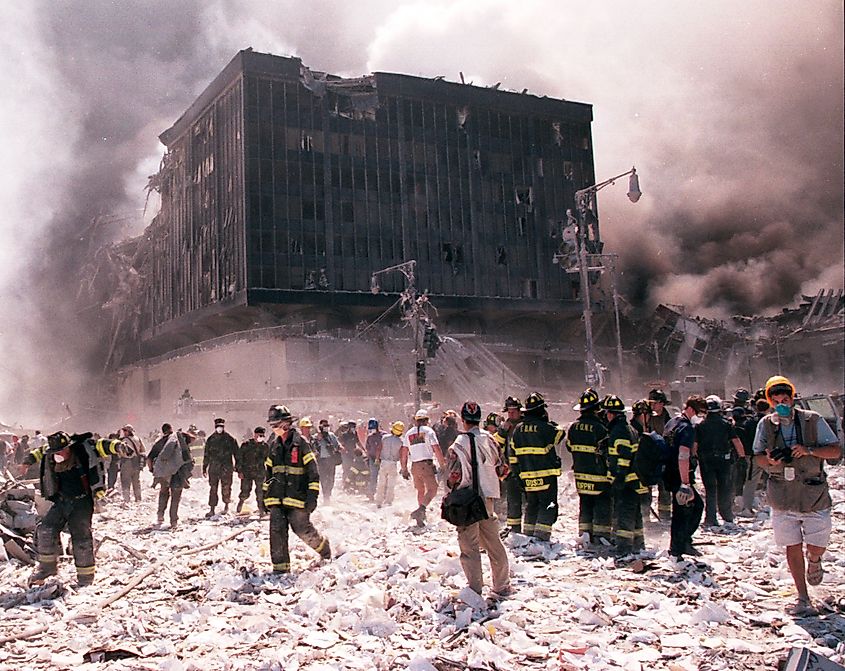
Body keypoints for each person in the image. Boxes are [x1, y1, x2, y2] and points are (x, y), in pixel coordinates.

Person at [753, 375, 841, 616]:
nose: (782, 402)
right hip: (782, 494)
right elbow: (758, 456)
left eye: (786, 398)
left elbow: (834, 451)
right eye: (776, 398)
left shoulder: (813, 420)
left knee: (816, 544)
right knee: (792, 546)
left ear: (793, 398)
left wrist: (808, 450)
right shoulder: (766, 425)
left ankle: (814, 559)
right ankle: (803, 597)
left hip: (813, 493)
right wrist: (770, 461)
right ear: (770, 401)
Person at [21, 431, 121, 586]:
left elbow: (102, 445)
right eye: (55, 452)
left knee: (81, 538)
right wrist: (28, 460)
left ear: (69, 447)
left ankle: (85, 576)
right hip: (62, 501)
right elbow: (39, 451)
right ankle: (47, 567)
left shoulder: (82, 450)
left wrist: (119, 446)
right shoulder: (52, 454)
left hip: (81, 503)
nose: (58, 454)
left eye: (61, 451)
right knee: (45, 529)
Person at [444, 401, 511, 600]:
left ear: (463, 420)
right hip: (488, 499)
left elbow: (454, 476)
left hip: (466, 502)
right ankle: (501, 585)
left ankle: (475, 589)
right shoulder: (491, 440)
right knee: (493, 543)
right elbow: (502, 469)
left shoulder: (457, 445)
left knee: (469, 546)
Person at [263, 405, 331, 573]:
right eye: (271, 425)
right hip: (277, 498)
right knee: (276, 530)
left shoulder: (301, 443)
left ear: (286, 423)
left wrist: (312, 498)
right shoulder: (275, 445)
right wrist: (266, 494)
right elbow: (269, 472)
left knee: (302, 529)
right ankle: (280, 569)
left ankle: (325, 549)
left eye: (276, 424)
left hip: (297, 498)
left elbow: (313, 472)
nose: (274, 428)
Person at [508, 392, 565, 541]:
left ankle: (528, 536)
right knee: (547, 504)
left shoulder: (517, 430)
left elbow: (513, 457)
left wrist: (517, 476)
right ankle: (541, 537)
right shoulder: (545, 427)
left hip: (526, 477)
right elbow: (560, 434)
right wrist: (548, 422)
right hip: (546, 476)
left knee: (531, 505)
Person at [566, 388, 612, 545]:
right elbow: (607, 451)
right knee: (601, 504)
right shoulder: (601, 428)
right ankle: (601, 536)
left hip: (580, 476)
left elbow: (569, 447)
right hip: (599, 476)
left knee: (585, 504)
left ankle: (585, 533)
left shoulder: (573, 427)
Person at [664, 396, 708, 559]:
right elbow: (683, 455)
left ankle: (681, 544)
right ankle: (679, 547)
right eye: (700, 413)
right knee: (691, 508)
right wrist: (685, 483)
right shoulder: (686, 428)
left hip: (668, 472)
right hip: (679, 475)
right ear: (691, 409)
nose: (701, 418)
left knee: (681, 510)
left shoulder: (672, 422)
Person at [603, 395, 647, 554]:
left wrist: (619, 476)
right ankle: (638, 543)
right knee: (635, 514)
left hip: (627, 481)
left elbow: (624, 455)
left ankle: (624, 546)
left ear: (611, 414)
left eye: (607, 413)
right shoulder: (628, 428)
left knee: (625, 513)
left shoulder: (619, 430)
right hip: (634, 480)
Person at [696, 395, 746, 528]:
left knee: (710, 489)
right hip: (724, 460)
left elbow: (694, 445)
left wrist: (693, 458)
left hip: (706, 461)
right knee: (725, 488)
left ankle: (710, 518)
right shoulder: (726, 424)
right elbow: (736, 441)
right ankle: (727, 514)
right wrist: (742, 457)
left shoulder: (700, 425)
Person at [400, 408, 445, 527]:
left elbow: (404, 452)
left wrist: (404, 468)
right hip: (426, 464)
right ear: (426, 420)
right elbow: (436, 448)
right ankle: (421, 510)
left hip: (414, 465)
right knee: (433, 489)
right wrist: (443, 465)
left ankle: (421, 515)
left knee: (420, 490)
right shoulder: (429, 431)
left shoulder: (409, 433)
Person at [147, 424, 194, 529]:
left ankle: (160, 516)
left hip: (164, 474)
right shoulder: (178, 439)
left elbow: (149, 459)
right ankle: (173, 521)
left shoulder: (159, 443)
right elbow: (192, 440)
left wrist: (153, 470)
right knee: (175, 496)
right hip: (178, 473)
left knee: (163, 492)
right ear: (171, 429)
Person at [493, 396, 525, 535]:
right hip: (511, 468)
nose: (511, 414)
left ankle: (529, 528)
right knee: (513, 499)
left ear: (520, 411)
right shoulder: (505, 427)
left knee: (528, 499)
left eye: (514, 411)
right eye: (509, 412)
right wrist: (502, 431)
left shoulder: (525, 425)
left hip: (525, 467)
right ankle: (514, 528)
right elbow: (496, 444)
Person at [203, 417, 237, 516]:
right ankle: (212, 508)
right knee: (213, 489)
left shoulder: (230, 439)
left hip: (226, 468)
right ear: (215, 427)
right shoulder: (210, 439)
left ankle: (226, 505)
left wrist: (238, 467)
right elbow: (207, 454)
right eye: (218, 426)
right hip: (214, 468)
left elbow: (236, 453)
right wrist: (204, 467)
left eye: (221, 426)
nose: (219, 428)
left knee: (226, 488)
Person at [647, 389, 673, 521]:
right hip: (650, 458)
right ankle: (645, 514)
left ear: (662, 403)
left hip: (664, 458)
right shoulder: (646, 417)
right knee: (647, 488)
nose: (652, 406)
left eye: (655, 403)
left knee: (664, 487)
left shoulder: (669, 420)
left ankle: (665, 515)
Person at [236, 427, 269, 514]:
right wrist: (239, 471)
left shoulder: (265, 446)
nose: (260, 437)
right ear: (255, 434)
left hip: (260, 472)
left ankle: (261, 509)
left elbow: (269, 459)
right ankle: (241, 502)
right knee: (245, 491)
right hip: (247, 472)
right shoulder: (246, 445)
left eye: (262, 435)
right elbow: (239, 458)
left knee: (261, 492)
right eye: (259, 435)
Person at [374, 421, 404, 508]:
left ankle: (379, 502)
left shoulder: (384, 438)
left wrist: (377, 459)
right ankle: (388, 502)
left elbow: (379, 449)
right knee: (391, 484)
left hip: (383, 462)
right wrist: (403, 467)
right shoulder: (401, 441)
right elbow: (402, 455)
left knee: (381, 483)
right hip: (393, 464)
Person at [313, 419, 341, 503]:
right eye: (323, 426)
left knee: (331, 478)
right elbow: (312, 446)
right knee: (323, 478)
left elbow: (337, 445)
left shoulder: (331, 435)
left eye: (326, 426)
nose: (325, 428)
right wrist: (318, 439)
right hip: (321, 460)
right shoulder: (316, 437)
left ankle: (329, 493)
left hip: (331, 459)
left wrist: (340, 449)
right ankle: (326, 495)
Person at [118, 424, 146, 504]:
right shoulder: (138, 439)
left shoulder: (124, 440)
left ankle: (126, 500)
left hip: (126, 462)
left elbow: (120, 453)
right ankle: (138, 498)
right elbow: (143, 450)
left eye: (125, 430)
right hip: (136, 462)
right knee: (136, 481)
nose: (124, 432)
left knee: (125, 481)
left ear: (128, 431)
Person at [337, 420, 362, 490]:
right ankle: (345, 484)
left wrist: (363, 449)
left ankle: (352, 483)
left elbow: (358, 442)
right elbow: (341, 444)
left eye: (354, 427)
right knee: (346, 469)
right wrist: (345, 450)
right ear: (349, 427)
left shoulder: (355, 434)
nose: (353, 428)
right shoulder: (344, 435)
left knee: (353, 469)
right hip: (346, 455)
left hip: (353, 454)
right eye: (352, 427)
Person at [364, 418, 384, 501]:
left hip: (382, 459)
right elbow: (367, 448)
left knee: (383, 477)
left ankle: (384, 494)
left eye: (373, 428)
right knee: (373, 477)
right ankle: (371, 494)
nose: (372, 430)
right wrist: (368, 458)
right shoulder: (370, 437)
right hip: (372, 459)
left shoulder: (384, 435)